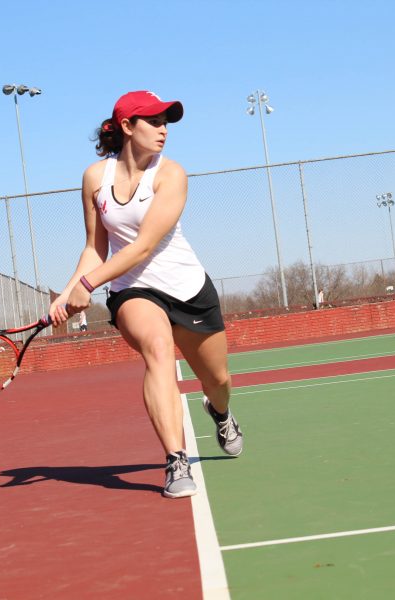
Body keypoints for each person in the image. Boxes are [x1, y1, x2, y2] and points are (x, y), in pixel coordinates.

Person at [49, 90, 242, 499]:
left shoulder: (171, 175)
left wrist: (87, 285)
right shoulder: (93, 179)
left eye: (166, 121)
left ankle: (220, 413)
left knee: (218, 380)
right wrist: (66, 293)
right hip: (132, 289)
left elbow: (143, 246)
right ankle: (176, 460)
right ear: (126, 127)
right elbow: (94, 248)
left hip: (188, 288)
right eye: (153, 121)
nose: (163, 129)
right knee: (157, 348)